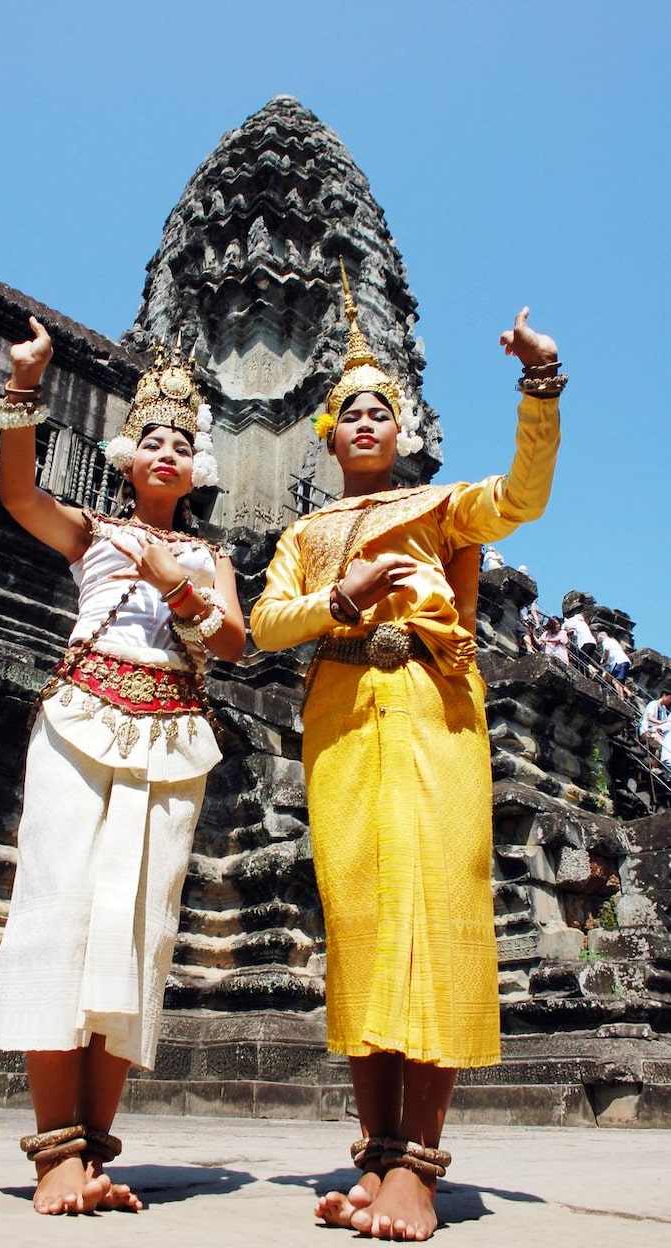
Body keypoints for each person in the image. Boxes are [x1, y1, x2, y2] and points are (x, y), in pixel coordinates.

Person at [250, 263, 565, 1242]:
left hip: (432, 710)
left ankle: (420, 1168)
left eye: (381, 409)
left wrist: (539, 388)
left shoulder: (436, 509)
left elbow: (519, 499)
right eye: (347, 411)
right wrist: (338, 600)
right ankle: (375, 1156)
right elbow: (263, 625)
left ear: (405, 429)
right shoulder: (305, 532)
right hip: (341, 716)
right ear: (326, 433)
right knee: (361, 924)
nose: (364, 421)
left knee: (431, 913)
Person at [0, 318, 245, 1215]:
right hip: (80, 718)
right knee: (56, 908)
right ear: (130, 458)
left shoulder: (212, 557)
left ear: (197, 464)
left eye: (183, 441)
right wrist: (25, 388)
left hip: (172, 734)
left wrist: (176, 580)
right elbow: (19, 496)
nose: (167, 451)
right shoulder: (91, 530)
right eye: (153, 440)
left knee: (140, 929)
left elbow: (234, 644)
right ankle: (56, 1149)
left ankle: (94, 1151)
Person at [597, 629, 632, 697]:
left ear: (601, 637)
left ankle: (621, 696)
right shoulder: (613, 641)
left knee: (615, 681)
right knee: (619, 681)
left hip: (619, 662)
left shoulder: (606, 641)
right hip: (624, 662)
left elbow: (607, 650)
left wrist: (605, 661)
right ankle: (627, 692)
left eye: (598, 639)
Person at [639, 690, 671, 761]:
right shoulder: (653, 704)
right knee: (663, 745)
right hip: (647, 730)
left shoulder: (663, 708)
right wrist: (661, 722)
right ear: (664, 695)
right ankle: (654, 767)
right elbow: (650, 717)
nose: (670, 701)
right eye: (670, 698)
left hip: (656, 732)